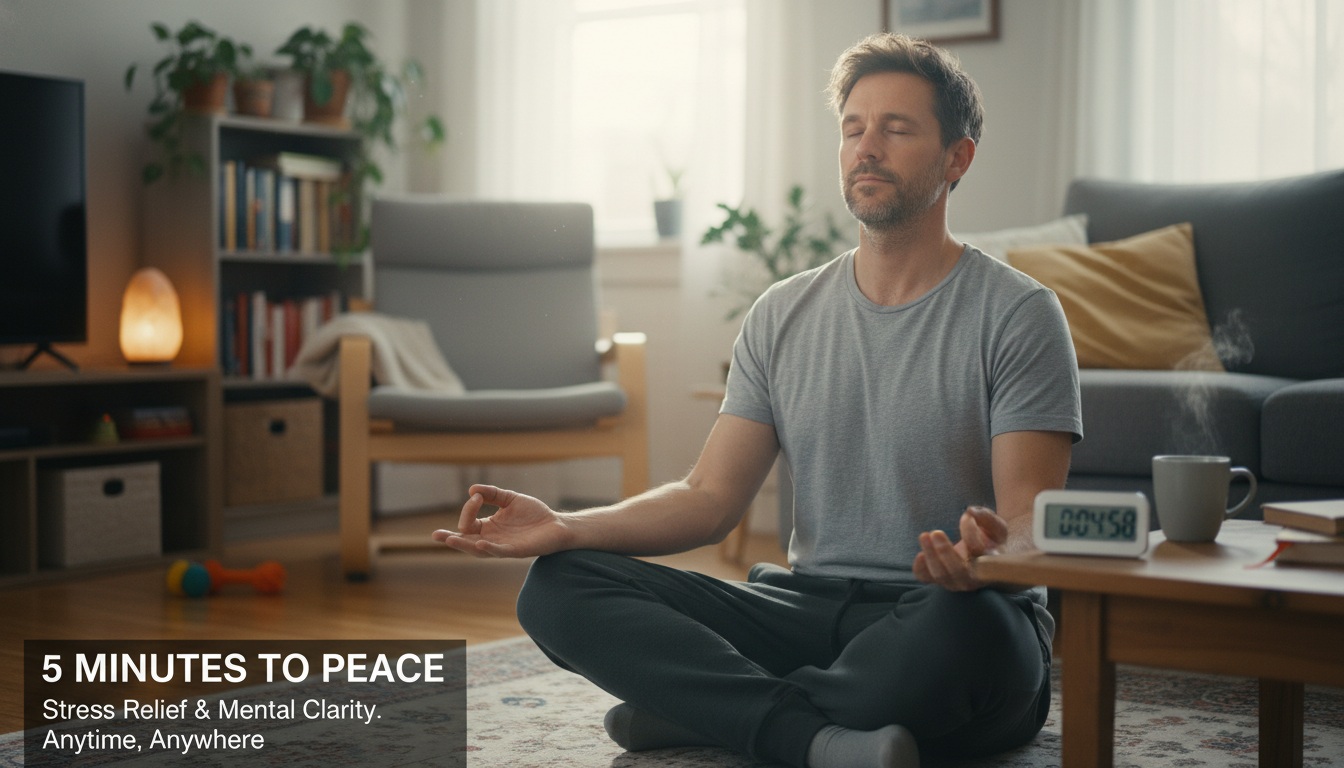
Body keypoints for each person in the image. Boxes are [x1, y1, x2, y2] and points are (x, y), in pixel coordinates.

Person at [434, 32, 1082, 768]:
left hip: (948, 612)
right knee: (556, 587)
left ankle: (711, 711)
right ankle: (806, 731)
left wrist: (988, 557)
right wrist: (565, 525)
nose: (867, 147)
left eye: (896, 129)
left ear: (956, 158)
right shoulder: (782, 313)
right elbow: (709, 497)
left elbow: (1032, 518)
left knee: (980, 635)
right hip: (804, 607)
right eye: (853, 128)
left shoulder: (1019, 313)